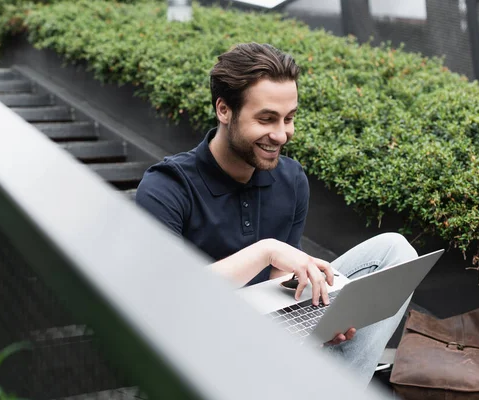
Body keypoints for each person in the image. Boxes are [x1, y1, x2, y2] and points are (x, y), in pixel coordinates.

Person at [135, 42, 417, 388]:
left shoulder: (291, 180)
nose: (282, 134)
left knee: (395, 251)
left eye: (289, 118)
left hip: (267, 341)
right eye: (266, 119)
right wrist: (265, 249)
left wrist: (315, 323)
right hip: (198, 352)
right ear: (224, 110)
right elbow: (165, 296)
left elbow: (278, 285)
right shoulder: (167, 186)